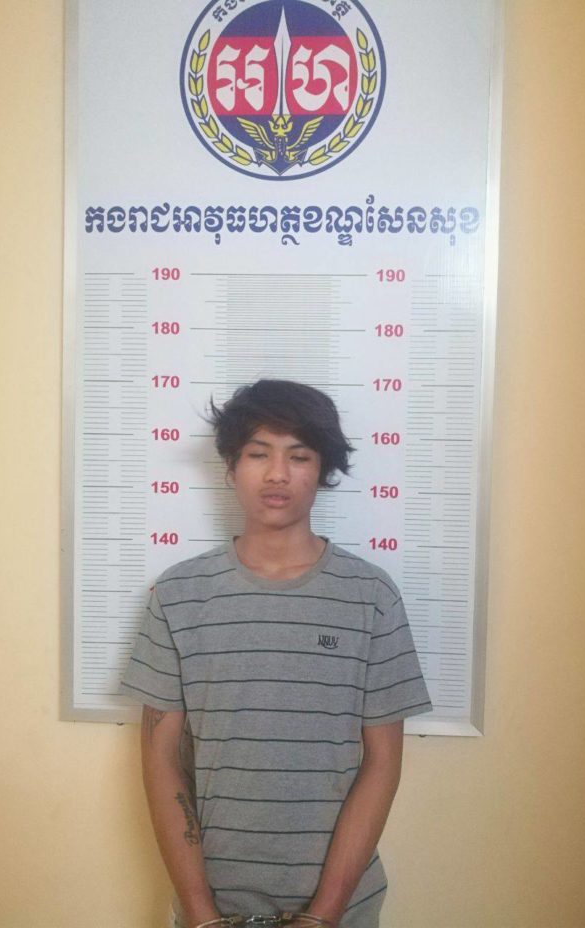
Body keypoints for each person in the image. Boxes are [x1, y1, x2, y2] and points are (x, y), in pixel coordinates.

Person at [120, 379, 432, 928]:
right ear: (230, 467)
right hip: (211, 910)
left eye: (299, 455)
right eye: (258, 453)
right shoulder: (178, 595)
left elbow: (383, 763)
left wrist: (323, 915)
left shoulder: (371, 597)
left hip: (341, 911)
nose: (278, 474)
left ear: (323, 469)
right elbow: (160, 760)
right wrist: (201, 915)